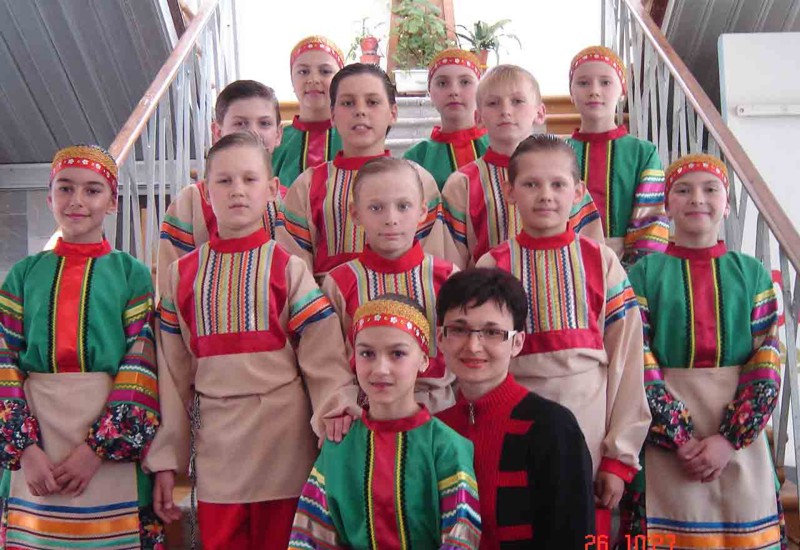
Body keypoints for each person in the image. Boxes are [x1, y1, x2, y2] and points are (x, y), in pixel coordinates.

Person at [150, 133, 358, 549]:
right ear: (206, 192)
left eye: (249, 179)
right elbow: (173, 374)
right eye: (224, 181)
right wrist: (167, 457)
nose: (238, 191)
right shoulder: (181, 275)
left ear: (272, 190)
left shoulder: (289, 268)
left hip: (284, 440)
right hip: (217, 444)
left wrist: (336, 407)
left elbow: (322, 352)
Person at [476, 134, 650, 539]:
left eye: (557, 184)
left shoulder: (602, 262)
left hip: (588, 433)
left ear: (578, 191)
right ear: (510, 192)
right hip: (509, 429)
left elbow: (627, 361)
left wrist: (618, 457)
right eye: (531, 184)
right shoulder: (492, 267)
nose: (545, 195)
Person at [0, 145, 163, 548]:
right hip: (36, 438)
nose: (77, 200)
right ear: (49, 197)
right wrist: (26, 450)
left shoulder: (132, 275)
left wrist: (96, 450)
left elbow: (141, 364)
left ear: (113, 203)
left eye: (92, 190)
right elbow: (5, 361)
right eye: (65, 188)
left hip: (109, 444)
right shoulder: (23, 275)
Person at [621, 153, 785, 548]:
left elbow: (767, 358)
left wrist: (729, 440)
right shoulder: (643, 274)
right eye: (683, 190)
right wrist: (679, 437)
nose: (697, 198)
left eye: (710, 189)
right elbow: (637, 358)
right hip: (665, 442)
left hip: (738, 441)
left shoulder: (752, 274)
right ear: (666, 205)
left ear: (726, 204)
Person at [290, 295, 481, 549]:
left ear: (424, 360)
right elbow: (309, 538)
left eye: (397, 353)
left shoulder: (446, 447)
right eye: (367, 353)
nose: (380, 369)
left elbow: (461, 536)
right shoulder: (339, 446)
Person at [437, 268, 595, 549]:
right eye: (459, 330)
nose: (473, 346)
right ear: (440, 338)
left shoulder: (552, 427)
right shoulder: (433, 430)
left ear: (517, 342)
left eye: (492, 332)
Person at [277, 63, 453, 281]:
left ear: (393, 113)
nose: (360, 111)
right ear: (332, 115)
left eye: (372, 102)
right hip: (327, 301)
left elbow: (433, 265)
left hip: (410, 300)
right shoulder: (308, 184)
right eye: (348, 103)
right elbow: (295, 271)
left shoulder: (418, 180)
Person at [322, 157, 459, 413]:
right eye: (376, 208)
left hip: (440, 412)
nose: (391, 219)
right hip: (366, 414)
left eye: (403, 206)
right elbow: (330, 361)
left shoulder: (448, 277)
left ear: (422, 211)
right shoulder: (339, 283)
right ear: (355, 214)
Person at [441, 65, 603, 269]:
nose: (505, 111)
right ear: (478, 118)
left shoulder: (562, 179)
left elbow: (592, 254)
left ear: (540, 112)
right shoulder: (462, 184)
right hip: (489, 287)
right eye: (493, 103)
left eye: (517, 101)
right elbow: (451, 266)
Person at [157, 79, 283, 295]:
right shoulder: (191, 203)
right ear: (217, 131)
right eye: (240, 123)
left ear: (278, 134)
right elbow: (170, 288)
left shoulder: (289, 202)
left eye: (264, 123)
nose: (253, 132)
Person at [567, 45, 669, 266]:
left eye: (605, 82)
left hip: (627, 269)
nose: (594, 91)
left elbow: (651, 220)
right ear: (571, 93)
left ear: (622, 91)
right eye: (583, 83)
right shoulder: (558, 152)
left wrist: (636, 271)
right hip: (567, 263)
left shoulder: (643, 152)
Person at [403, 48, 488, 189]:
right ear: (430, 92)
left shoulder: (499, 145)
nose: (454, 91)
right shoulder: (417, 157)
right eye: (442, 83)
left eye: (465, 82)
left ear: (481, 90)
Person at [272, 35, 344, 189]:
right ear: (292, 81)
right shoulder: (277, 142)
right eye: (303, 71)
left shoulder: (352, 138)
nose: (313, 79)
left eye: (325, 71)